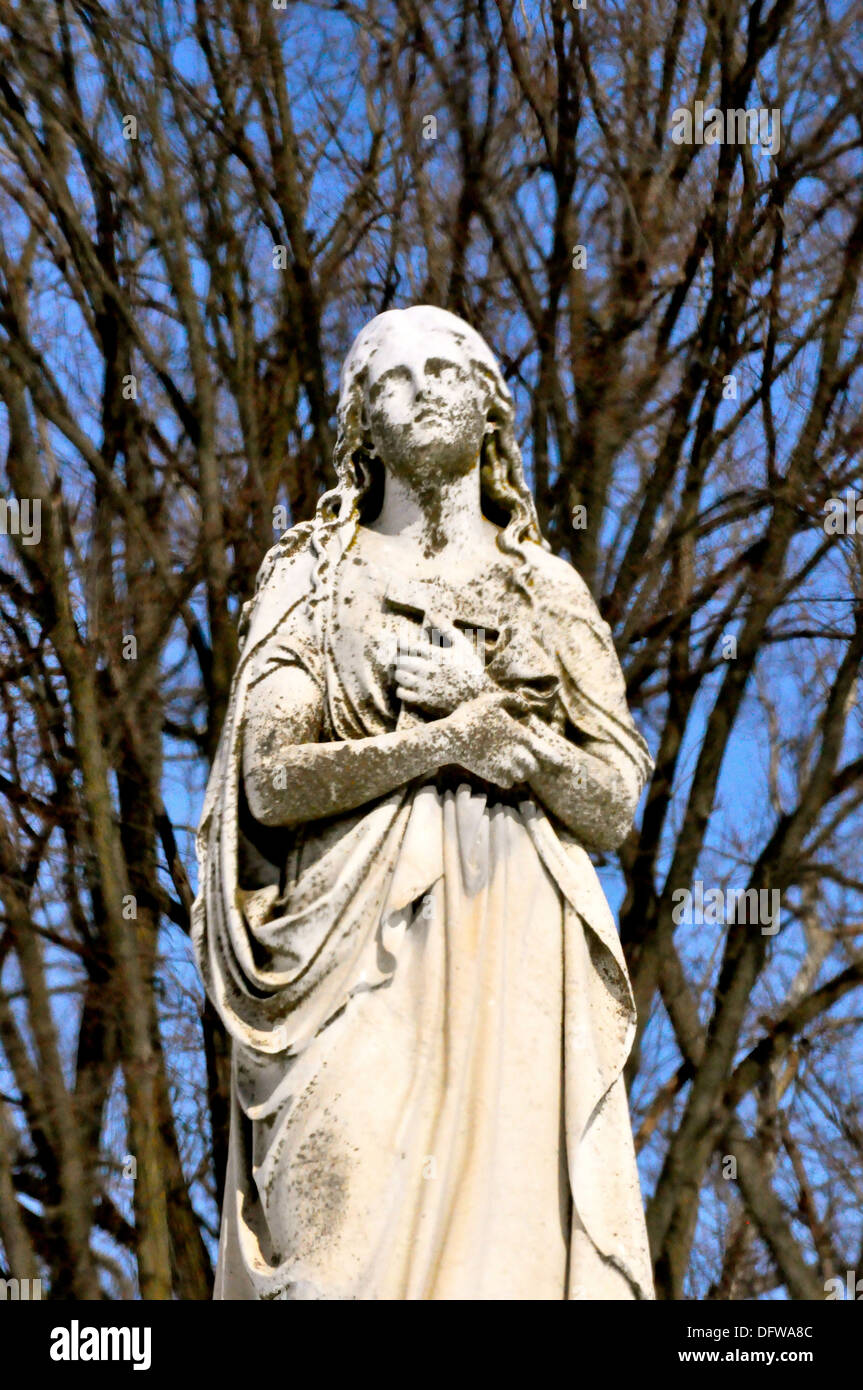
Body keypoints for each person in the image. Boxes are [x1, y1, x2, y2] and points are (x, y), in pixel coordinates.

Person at [193, 304, 655, 1299]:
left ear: (489, 408)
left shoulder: (546, 590)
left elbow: (612, 802)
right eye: (395, 377)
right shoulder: (314, 579)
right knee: (334, 1254)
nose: (424, 389)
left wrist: (505, 732)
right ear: (363, 419)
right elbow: (269, 781)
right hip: (347, 953)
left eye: (448, 369)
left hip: (519, 950)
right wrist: (436, 742)